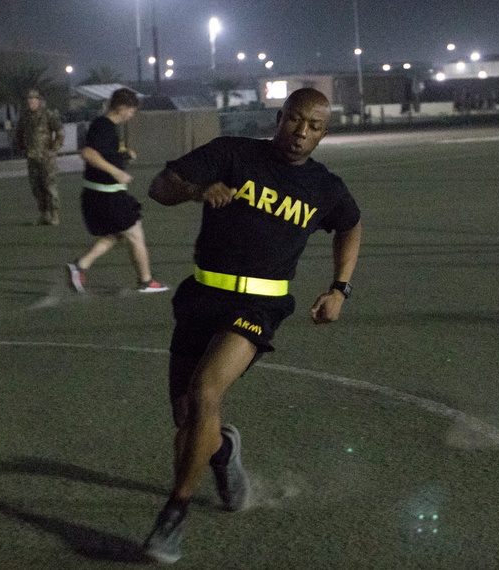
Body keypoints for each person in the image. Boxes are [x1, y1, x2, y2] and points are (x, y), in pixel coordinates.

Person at [140, 87, 362, 564]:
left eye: (315, 127)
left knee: (204, 394)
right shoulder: (232, 153)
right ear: (279, 116)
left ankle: (173, 516)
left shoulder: (325, 187)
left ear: (325, 133)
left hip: (260, 307)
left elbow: (351, 223)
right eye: (295, 120)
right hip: (202, 296)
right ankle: (223, 453)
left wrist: (339, 288)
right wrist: (198, 190)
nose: (301, 133)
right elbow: (160, 186)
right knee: (186, 415)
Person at [65, 87, 168, 294]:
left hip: (103, 193)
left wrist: (123, 155)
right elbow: (88, 153)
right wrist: (117, 172)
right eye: (131, 110)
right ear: (121, 108)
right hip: (106, 194)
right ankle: (146, 281)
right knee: (135, 233)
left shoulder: (109, 127)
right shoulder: (103, 126)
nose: (133, 114)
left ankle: (80, 266)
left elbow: (104, 153)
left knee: (116, 235)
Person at [15, 88, 64, 225]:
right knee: (36, 187)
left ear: (39, 101)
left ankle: (54, 214)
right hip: (32, 157)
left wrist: (54, 149)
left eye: (33, 99)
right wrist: (23, 149)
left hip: (46, 157)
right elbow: (19, 134)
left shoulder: (48, 115)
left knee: (50, 186)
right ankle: (44, 214)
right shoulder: (25, 116)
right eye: (29, 99)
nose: (30, 101)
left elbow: (60, 132)